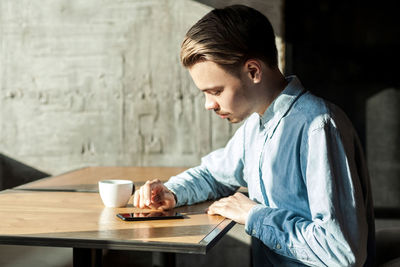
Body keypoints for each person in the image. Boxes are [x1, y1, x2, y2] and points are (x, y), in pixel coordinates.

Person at [133, 5, 375, 266]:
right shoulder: (254, 126)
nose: (208, 104)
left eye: (215, 91)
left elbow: (341, 252)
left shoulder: (318, 127)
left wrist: (254, 216)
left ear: (253, 71)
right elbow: (214, 174)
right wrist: (172, 191)